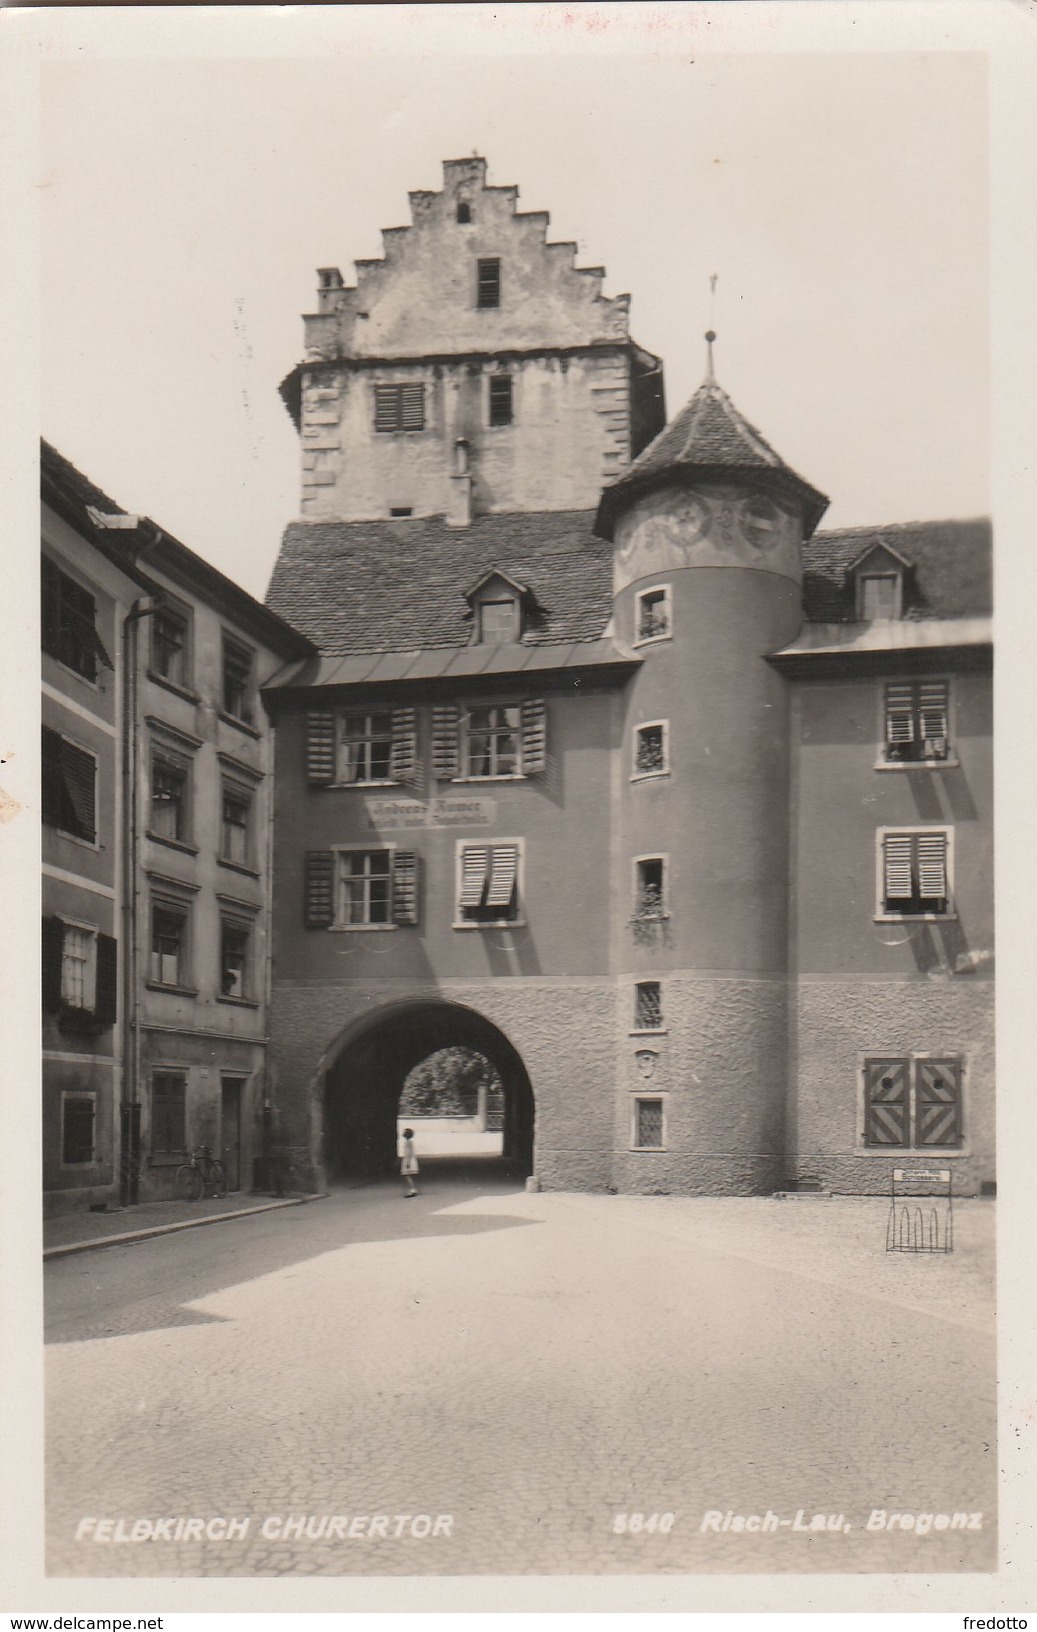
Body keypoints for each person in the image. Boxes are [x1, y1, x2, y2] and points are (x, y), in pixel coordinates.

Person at [400, 1127, 420, 1197]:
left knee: (408, 1176)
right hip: (409, 1159)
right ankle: (412, 1189)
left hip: (408, 1160)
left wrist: (407, 1162)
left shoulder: (408, 1142)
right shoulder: (409, 1142)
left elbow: (409, 1152)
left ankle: (412, 1190)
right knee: (408, 1176)